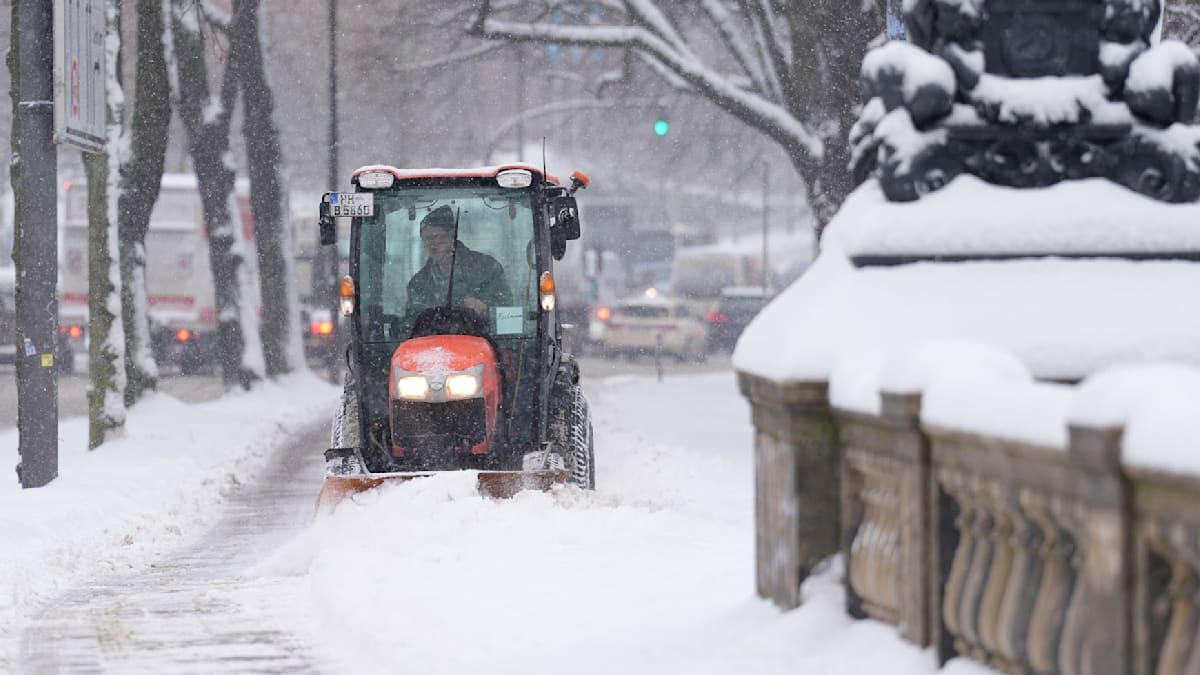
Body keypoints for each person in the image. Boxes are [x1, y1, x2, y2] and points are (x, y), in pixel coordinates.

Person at [405, 205, 513, 324]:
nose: (432, 245)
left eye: (436, 237)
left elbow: (508, 314)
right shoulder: (418, 283)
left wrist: (486, 309)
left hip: (481, 338)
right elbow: (410, 326)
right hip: (432, 341)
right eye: (426, 239)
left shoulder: (487, 269)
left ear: (451, 236)